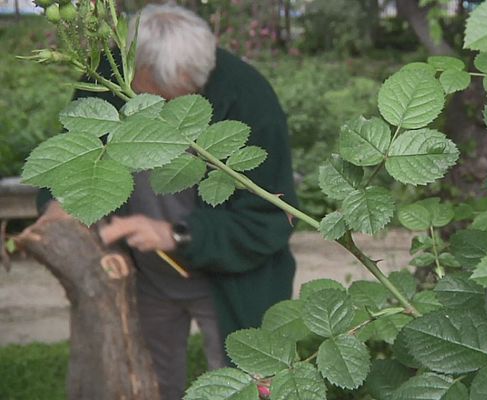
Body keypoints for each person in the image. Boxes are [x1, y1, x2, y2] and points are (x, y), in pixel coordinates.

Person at [39, 3, 298, 399]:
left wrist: (175, 233)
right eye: (149, 95)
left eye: (179, 97)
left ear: (204, 76)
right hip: (146, 277)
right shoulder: (108, 79)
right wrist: (60, 205)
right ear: (131, 65)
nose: (161, 110)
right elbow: (70, 155)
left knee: (247, 388)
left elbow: (269, 220)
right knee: (151, 384)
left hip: (233, 281)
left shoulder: (249, 99)